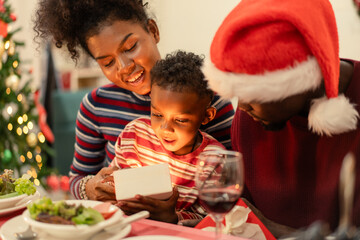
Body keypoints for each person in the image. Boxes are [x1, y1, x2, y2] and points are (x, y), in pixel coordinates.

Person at [33, 0, 234, 201]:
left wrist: (177, 219)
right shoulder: (96, 106)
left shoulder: (207, 98)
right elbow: (77, 179)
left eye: (130, 47)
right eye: (108, 62)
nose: (124, 66)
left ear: (153, 31)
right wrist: (90, 187)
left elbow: (231, 182)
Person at [202, 0, 360, 238]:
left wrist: (279, 232)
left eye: (253, 94)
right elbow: (241, 214)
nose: (241, 107)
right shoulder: (249, 121)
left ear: (299, 81)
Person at [110, 50, 226, 224]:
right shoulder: (133, 136)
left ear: (207, 116)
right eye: (157, 115)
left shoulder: (213, 159)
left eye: (180, 120)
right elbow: (114, 186)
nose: (165, 128)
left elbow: (210, 218)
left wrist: (173, 217)